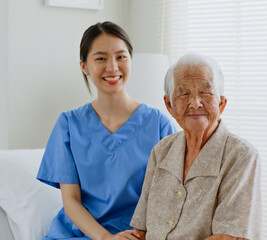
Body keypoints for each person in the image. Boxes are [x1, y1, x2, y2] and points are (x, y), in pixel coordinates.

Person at [36, 21, 176, 240]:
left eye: (121, 57)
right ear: (84, 65)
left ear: (131, 60)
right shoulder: (68, 125)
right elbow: (71, 201)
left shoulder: (158, 124)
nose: (112, 67)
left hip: (138, 234)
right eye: (101, 58)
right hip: (80, 234)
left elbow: (170, 196)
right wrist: (106, 238)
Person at [129, 53, 262, 240]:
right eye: (184, 94)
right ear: (169, 105)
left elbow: (227, 236)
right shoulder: (161, 151)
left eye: (205, 92)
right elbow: (140, 230)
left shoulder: (240, 155)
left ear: (221, 103)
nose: (195, 103)